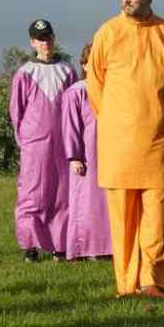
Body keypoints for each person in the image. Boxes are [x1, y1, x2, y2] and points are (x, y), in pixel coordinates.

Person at [87, 0, 164, 297]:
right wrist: (115, 120)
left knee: (158, 216)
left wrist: (158, 116)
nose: (125, 0)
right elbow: (95, 86)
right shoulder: (107, 32)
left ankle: (154, 281)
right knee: (123, 219)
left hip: (157, 141)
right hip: (118, 144)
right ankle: (127, 284)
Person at [9, 19, 77, 261]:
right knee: (33, 191)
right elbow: (16, 112)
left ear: (53, 38)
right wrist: (25, 141)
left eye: (48, 37)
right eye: (40, 39)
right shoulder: (25, 73)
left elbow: (74, 106)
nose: (45, 42)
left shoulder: (68, 70)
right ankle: (30, 245)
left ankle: (60, 244)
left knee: (62, 191)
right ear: (32, 42)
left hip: (63, 142)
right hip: (35, 143)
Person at [60, 43, 111, 261]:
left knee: (107, 203)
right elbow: (70, 126)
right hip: (86, 156)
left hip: (109, 153)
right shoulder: (76, 91)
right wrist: (74, 157)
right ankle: (85, 248)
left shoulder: (112, 90)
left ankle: (108, 247)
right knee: (86, 203)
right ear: (84, 65)